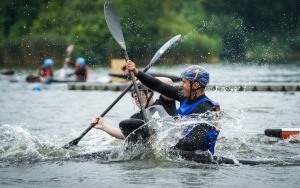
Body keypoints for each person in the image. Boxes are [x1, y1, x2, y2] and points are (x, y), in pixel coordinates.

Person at [125, 60, 220, 155]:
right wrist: (137, 72)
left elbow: (194, 143)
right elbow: (158, 85)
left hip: (198, 156)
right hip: (180, 151)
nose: (180, 85)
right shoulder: (184, 96)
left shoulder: (204, 108)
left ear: (195, 85)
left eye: (184, 82)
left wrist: (166, 143)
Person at [91, 77, 176, 140]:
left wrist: (143, 79)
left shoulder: (164, 102)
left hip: (172, 140)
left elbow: (169, 82)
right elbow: (124, 135)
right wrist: (104, 127)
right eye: (135, 97)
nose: (137, 99)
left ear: (149, 94)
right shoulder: (136, 118)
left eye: (140, 95)